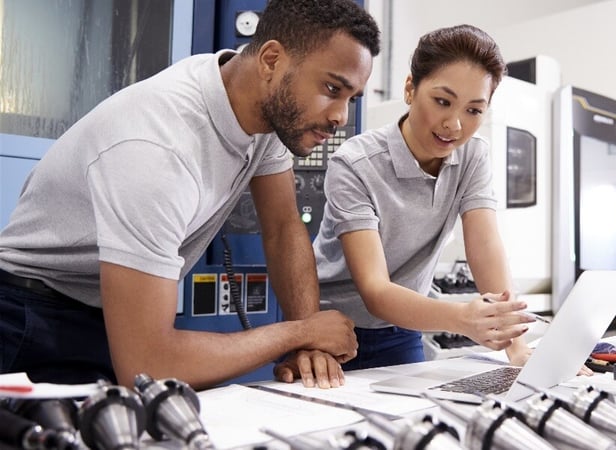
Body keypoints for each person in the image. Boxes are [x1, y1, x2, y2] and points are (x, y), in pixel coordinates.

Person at [0, 0, 380, 390]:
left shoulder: (260, 110)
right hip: (30, 321)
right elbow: (146, 366)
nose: (341, 117)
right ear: (270, 60)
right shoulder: (157, 148)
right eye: (332, 89)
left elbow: (283, 227)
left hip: (105, 313)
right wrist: (299, 334)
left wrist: (309, 344)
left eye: (352, 98)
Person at [313, 24, 570, 373]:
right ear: (410, 89)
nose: (455, 125)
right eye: (442, 102)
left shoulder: (472, 156)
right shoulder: (355, 163)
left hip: (402, 329)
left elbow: (485, 246)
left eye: (474, 110)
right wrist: (462, 318)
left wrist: (517, 348)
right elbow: (374, 290)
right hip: (328, 332)